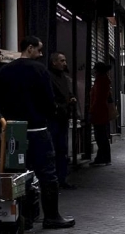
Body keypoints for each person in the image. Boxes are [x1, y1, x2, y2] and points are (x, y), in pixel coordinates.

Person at [0, 36, 75, 230]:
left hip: (13, 130)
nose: (40, 54)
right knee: (47, 173)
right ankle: (51, 216)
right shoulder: (40, 71)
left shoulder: (5, 71)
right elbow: (49, 101)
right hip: (37, 129)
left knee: (16, 175)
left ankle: (22, 218)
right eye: (38, 50)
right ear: (29, 49)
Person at [48, 52, 77, 189]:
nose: (65, 63)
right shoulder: (49, 77)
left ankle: (61, 178)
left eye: (65, 61)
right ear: (54, 62)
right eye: (62, 60)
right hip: (53, 117)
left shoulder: (64, 78)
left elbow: (68, 93)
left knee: (62, 149)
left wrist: (71, 98)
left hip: (63, 117)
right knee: (54, 148)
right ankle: (53, 179)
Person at [89, 62, 113, 166]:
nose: (93, 71)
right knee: (102, 135)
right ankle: (103, 157)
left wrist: (92, 111)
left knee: (100, 136)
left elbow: (97, 98)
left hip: (99, 112)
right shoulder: (104, 80)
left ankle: (103, 158)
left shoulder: (100, 81)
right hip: (102, 111)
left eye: (95, 69)